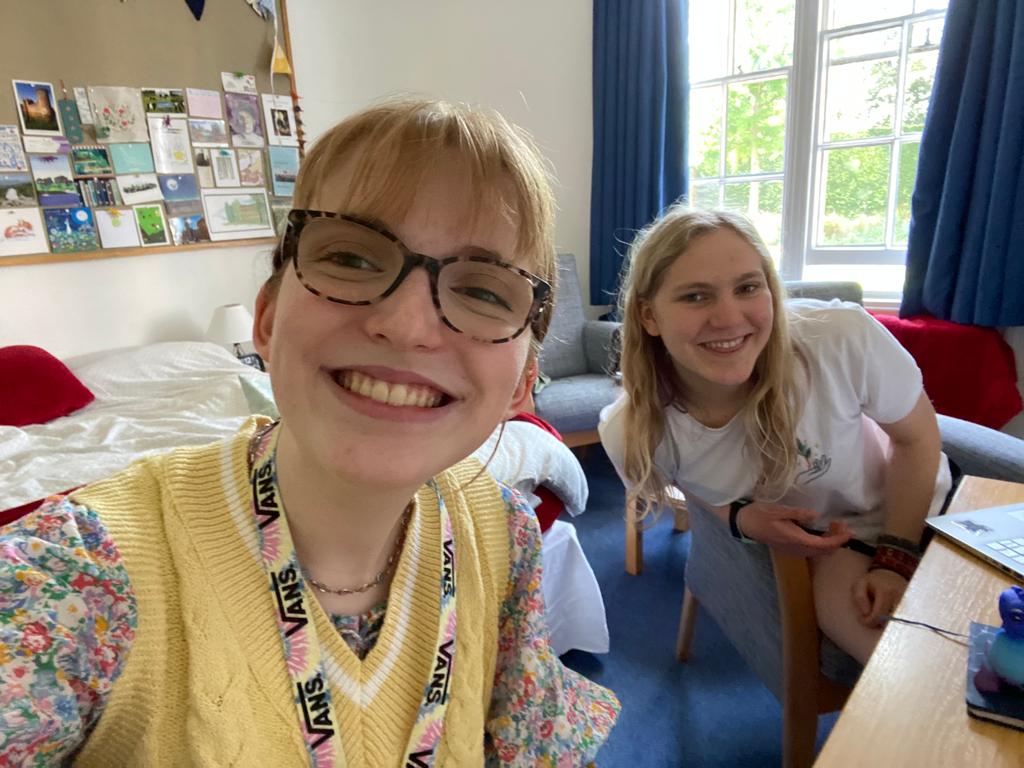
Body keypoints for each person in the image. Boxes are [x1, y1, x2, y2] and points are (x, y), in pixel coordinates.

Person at [0, 99, 618, 766]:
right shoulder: (76, 572)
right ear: (265, 321)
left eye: (486, 291)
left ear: (523, 381)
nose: (408, 326)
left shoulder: (502, 530)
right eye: (351, 257)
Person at [599, 205, 951, 665]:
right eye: (695, 297)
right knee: (916, 675)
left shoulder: (839, 338)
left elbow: (918, 439)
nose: (729, 318)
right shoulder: (633, 433)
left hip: (928, 505)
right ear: (648, 316)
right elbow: (694, 480)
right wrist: (740, 519)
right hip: (841, 544)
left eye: (747, 287)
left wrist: (896, 558)